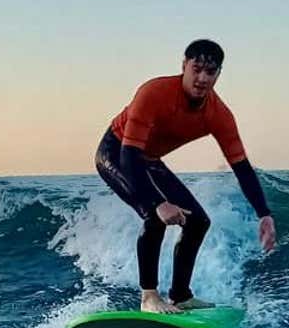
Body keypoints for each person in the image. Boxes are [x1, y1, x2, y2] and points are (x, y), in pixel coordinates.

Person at [94, 39, 277, 313]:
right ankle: (149, 298)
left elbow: (241, 167)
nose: (202, 78)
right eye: (197, 69)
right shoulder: (153, 93)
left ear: (218, 74)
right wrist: (158, 203)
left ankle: (180, 295)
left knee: (198, 221)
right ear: (184, 66)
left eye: (211, 72)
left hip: (149, 159)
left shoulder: (219, 114)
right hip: (117, 152)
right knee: (154, 216)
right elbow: (129, 156)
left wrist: (264, 213)